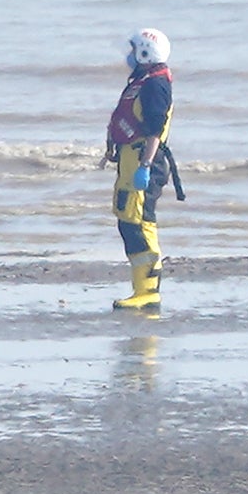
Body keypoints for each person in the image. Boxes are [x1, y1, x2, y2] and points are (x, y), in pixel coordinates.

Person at [104, 28, 179, 315]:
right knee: (127, 221)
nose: (129, 55)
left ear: (146, 53)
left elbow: (155, 129)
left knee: (140, 223)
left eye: (134, 50)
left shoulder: (155, 86)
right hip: (129, 159)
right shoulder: (141, 80)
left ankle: (147, 292)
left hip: (144, 161)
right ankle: (140, 289)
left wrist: (146, 166)